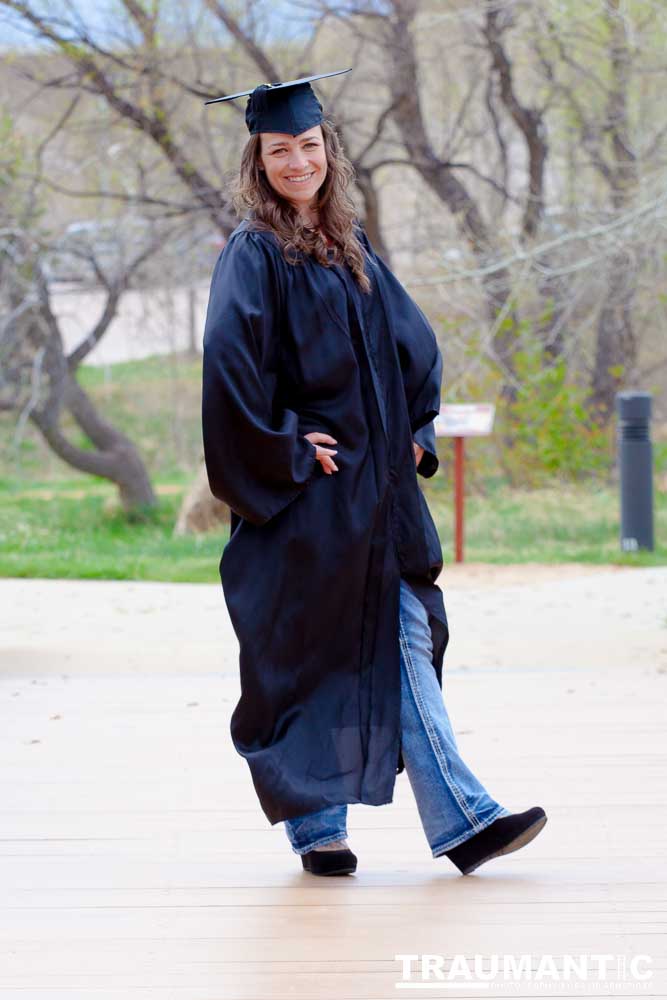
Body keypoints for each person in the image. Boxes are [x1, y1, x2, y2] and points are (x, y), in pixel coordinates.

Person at [201, 68, 547, 876]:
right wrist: (287, 447)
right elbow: (227, 367)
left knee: (392, 639)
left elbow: (409, 345)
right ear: (258, 160)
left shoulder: (347, 246)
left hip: (378, 500)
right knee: (311, 658)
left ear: (330, 151)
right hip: (310, 506)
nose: (297, 162)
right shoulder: (254, 254)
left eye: (309, 146)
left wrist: (416, 430)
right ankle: (434, 821)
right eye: (279, 150)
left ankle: (339, 828)